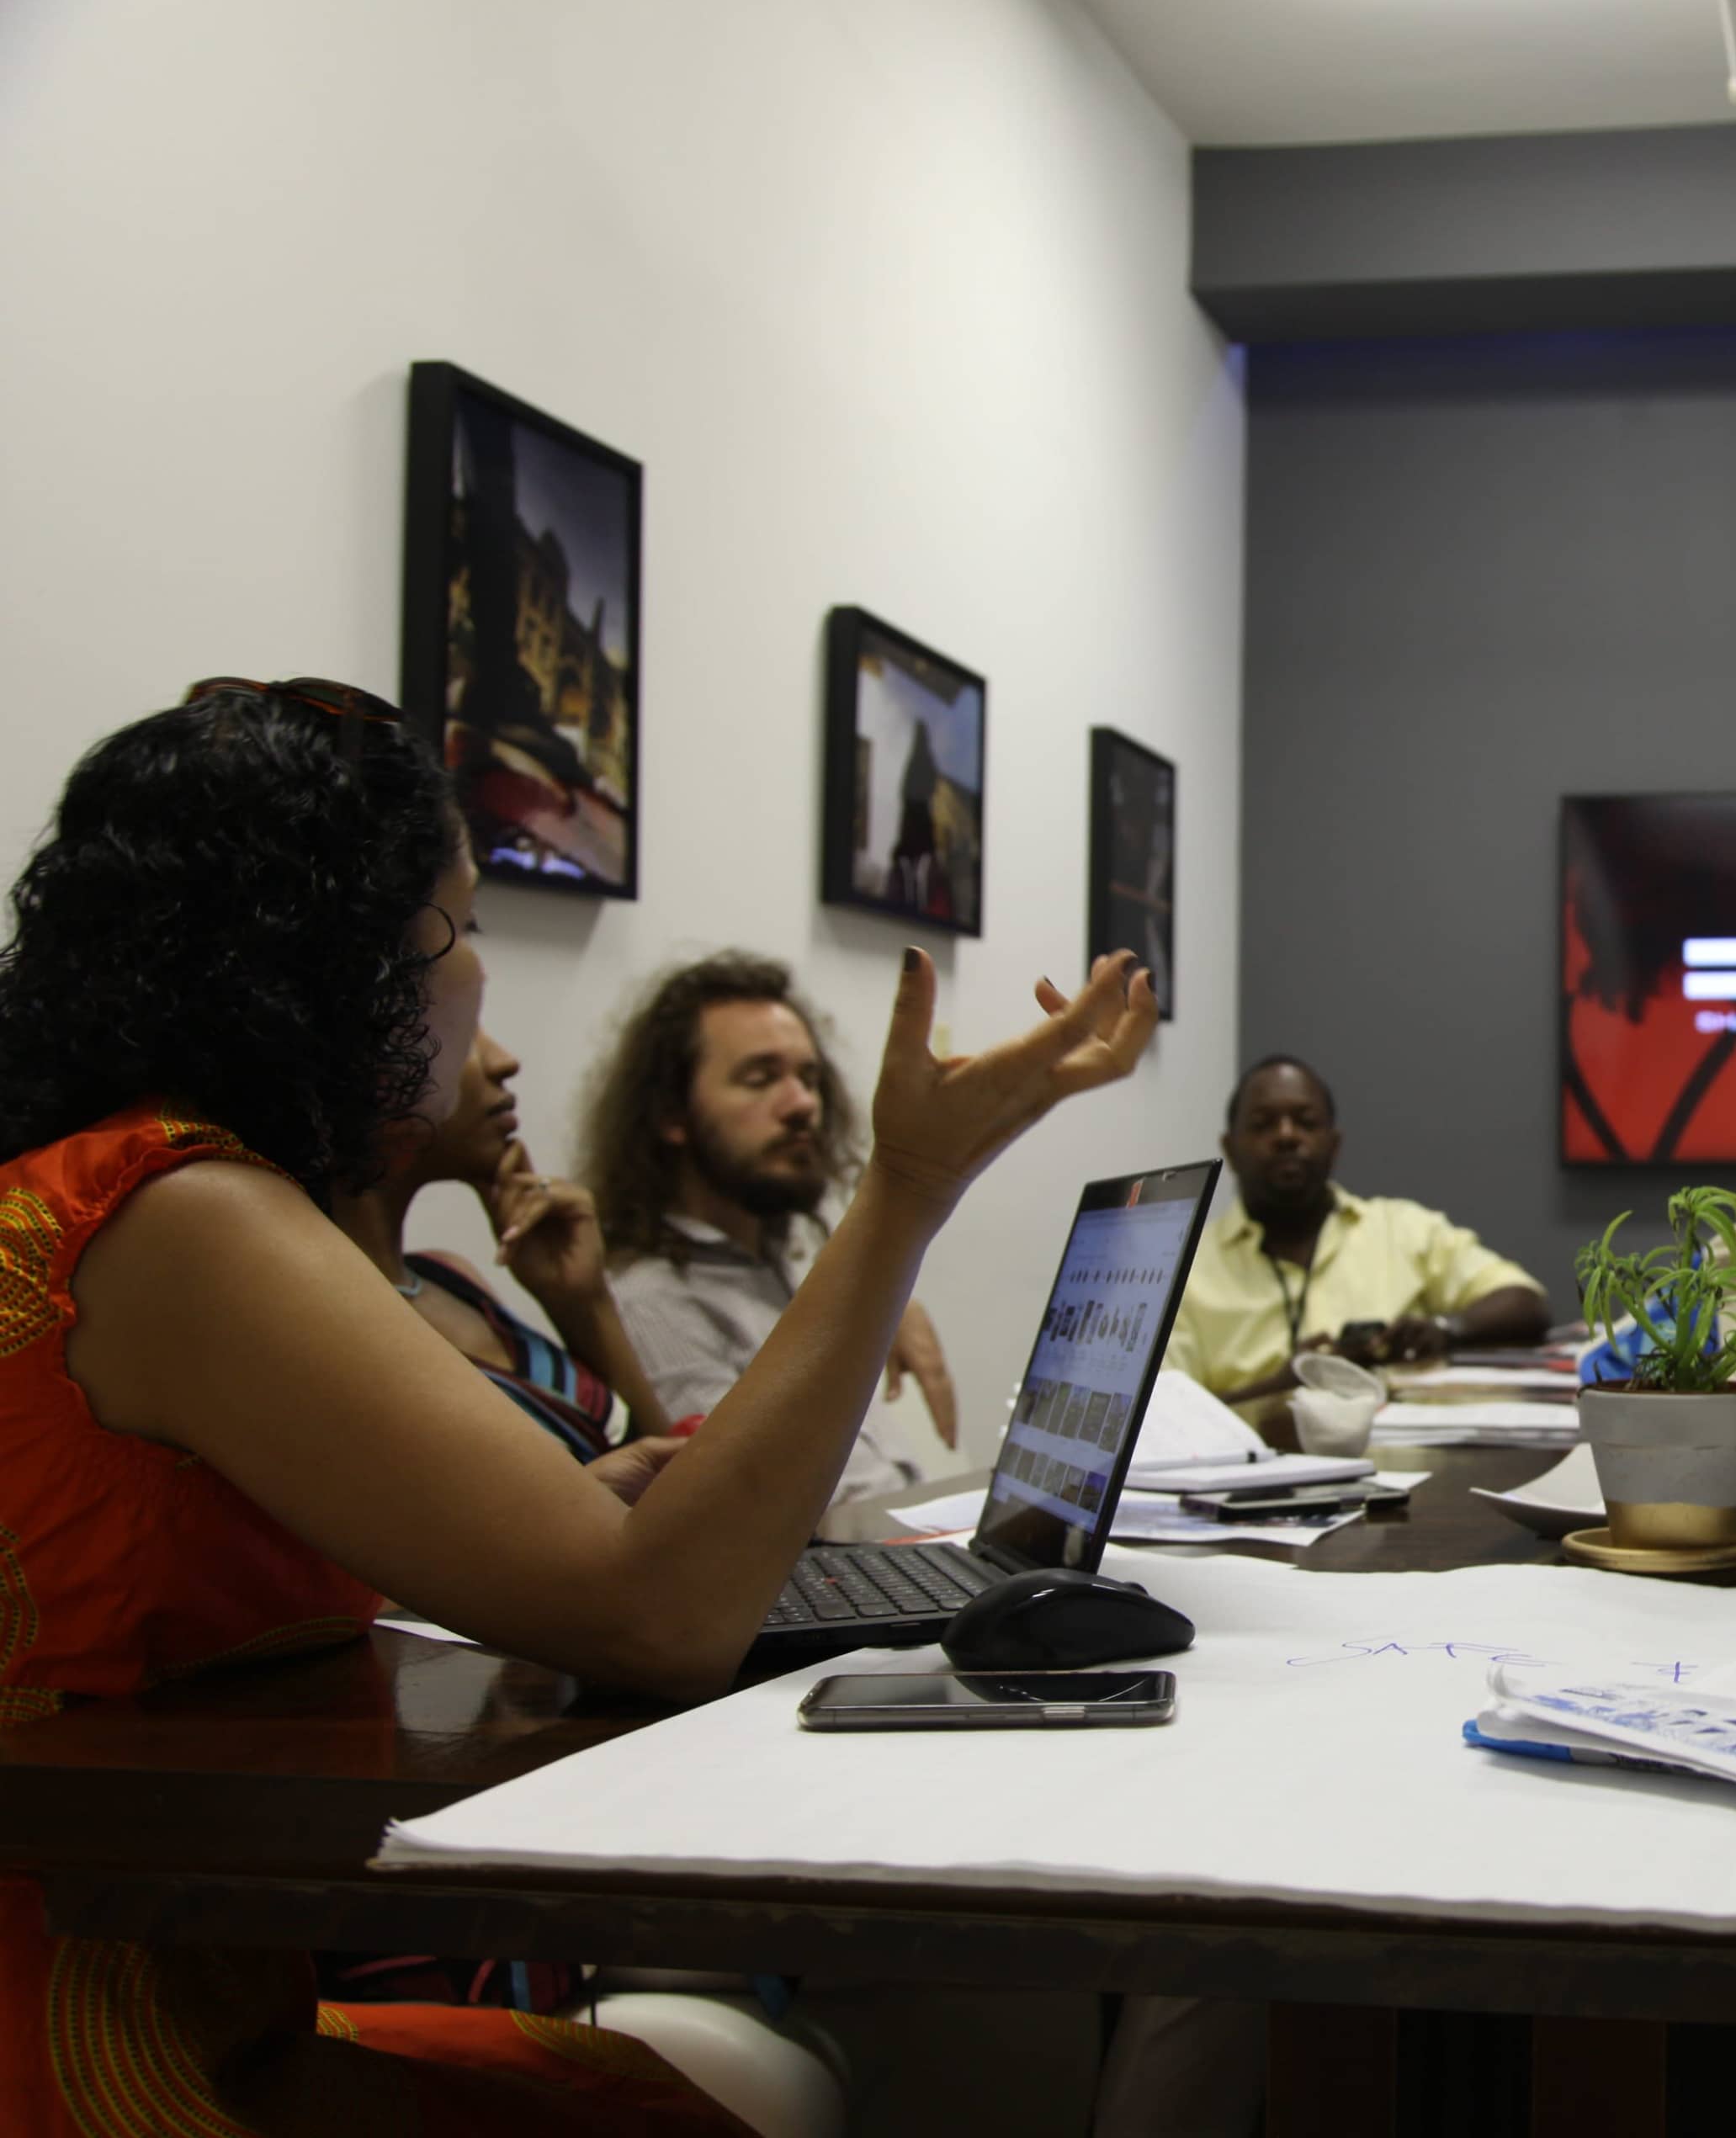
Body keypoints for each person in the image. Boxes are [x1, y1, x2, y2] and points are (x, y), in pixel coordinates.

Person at [0, 675, 1154, 2135]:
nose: (480, 981)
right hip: (94, 2043)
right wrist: (911, 1183)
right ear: (338, 962)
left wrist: (556, 1509)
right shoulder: (184, 1211)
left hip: (184, 1982)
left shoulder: (130, 1187)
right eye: (461, 924)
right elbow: (657, 1620)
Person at [581, 953, 960, 1508]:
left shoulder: (774, 1263)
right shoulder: (653, 1300)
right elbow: (761, 1506)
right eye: (760, 1079)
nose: (804, 1104)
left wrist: (883, 1297)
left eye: (809, 1078)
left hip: (912, 1543)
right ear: (670, 1113)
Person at [332, 1026, 673, 1461]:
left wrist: (584, 1305)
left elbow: (675, 1483)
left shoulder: (451, 1278)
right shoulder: (333, 1322)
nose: (504, 1060)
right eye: (461, 1026)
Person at [1167, 1055, 1548, 1404]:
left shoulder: (1403, 1230)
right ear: (1229, 1149)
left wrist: (1444, 1330)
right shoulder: (1181, 1267)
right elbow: (1163, 1418)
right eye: (1263, 1124)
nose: (1286, 1136)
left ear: (1334, 1146)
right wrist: (1282, 1387)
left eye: (1306, 1121)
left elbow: (1524, 1301)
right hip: (1239, 1470)